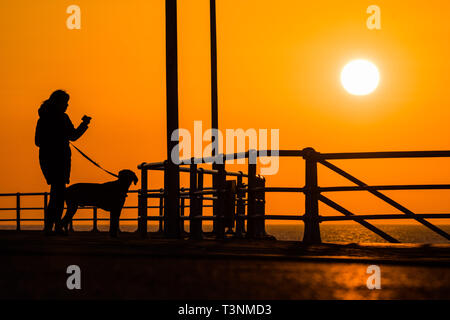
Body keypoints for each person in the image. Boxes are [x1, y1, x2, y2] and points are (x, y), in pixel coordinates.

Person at [35, 90, 91, 235]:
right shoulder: (61, 118)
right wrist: (84, 124)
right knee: (58, 194)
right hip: (59, 159)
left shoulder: (43, 119)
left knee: (57, 193)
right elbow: (73, 136)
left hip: (47, 158)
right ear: (58, 103)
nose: (67, 106)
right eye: (65, 103)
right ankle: (54, 227)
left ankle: (51, 226)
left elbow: (38, 141)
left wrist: (83, 125)